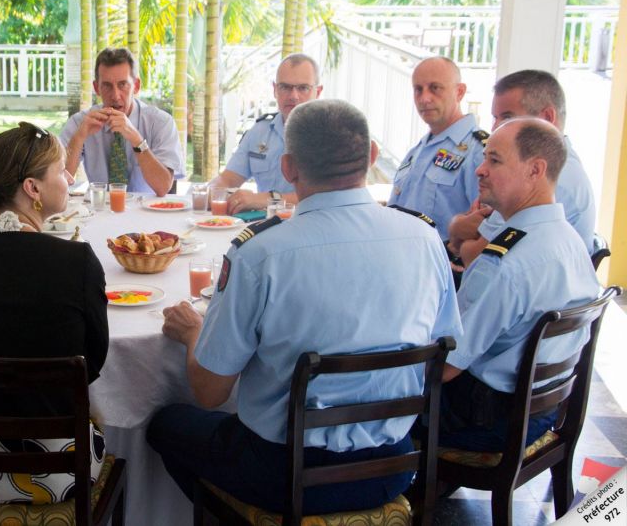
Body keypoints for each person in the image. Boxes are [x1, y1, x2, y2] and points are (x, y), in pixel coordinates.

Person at [147, 99, 461, 515]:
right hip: (394, 467)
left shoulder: (261, 254)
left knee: (165, 425)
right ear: (369, 156)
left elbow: (209, 392)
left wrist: (192, 334)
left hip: (283, 474)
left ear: (289, 167)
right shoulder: (424, 239)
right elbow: (445, 354)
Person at [0, 122, 109, 503]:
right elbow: (92, 365)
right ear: (33, 189)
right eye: (61, 170)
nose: (68, 178)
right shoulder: (77, 262)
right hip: (61, 472)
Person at [439, 117, 600, 451]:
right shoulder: (570, 240)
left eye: (494, 160)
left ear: (535, 171)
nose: (480, 170)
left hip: (488, 421)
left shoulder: (505, 263)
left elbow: (446, 368)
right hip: (542, 411)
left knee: (373, 402)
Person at [447, 70, 595, 267]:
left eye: (507, 118)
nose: (495, 128)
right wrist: (458, 225)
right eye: (495, 118)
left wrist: (459, 235)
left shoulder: (550, 175)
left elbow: (478, 257)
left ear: (548, 117)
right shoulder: (536, 166)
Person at [60, 47, 184, 195]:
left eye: (122, 85)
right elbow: (58, 181)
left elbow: (164, 187)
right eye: (107, 86)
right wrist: (79, 137)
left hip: (148, 213)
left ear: (136, 86)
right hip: (100, 211)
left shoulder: (160, 122)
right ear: (96, 88)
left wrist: (136, 140)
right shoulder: (80, 122)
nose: (115, 96)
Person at [209, 53, 323, 213]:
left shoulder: (329, 135)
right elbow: (227, 179)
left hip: (310, 225)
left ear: (318, 92)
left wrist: (266, 199)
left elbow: (323, 197)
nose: (293, 96)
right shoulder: (260, 131)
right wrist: (211, 192)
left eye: (303, 88)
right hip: (262, 226)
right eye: (285, 87)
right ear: (275, 90)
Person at [389, 56, 487, 238]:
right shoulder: (417, 151)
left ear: (459, 92)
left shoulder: (479, 152)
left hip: (444, 263)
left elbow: (487, 226)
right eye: (418, 90)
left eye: (435, 88)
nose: (425, 98)